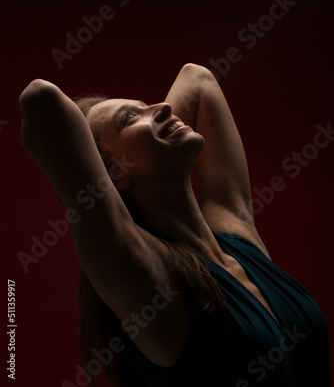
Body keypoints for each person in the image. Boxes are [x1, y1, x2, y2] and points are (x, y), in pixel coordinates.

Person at [19, 63, 330, 386]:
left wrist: (155, 128)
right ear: (112, 176)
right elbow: (41, 99)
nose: (163, 106)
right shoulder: (149, 279)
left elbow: (197, 79)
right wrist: (143, 143)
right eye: (129, 118)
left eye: (147, 106)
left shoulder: (236, 236)